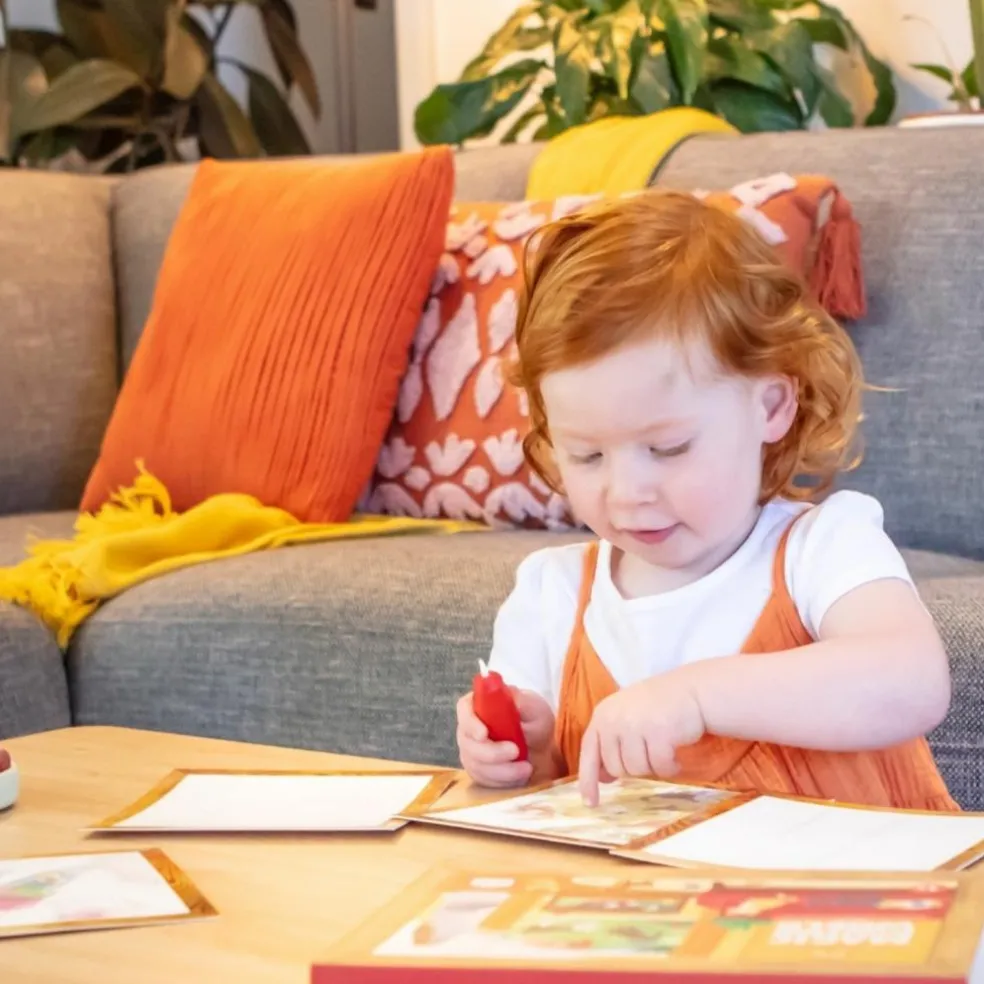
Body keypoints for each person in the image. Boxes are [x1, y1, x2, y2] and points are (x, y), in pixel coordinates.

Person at [455, 189, 957, 812]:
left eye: (668, 448)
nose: (627, 492)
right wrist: (520, 758)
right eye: (586, 455)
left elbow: (911, 682)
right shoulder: (549, 595)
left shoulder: (823, 549)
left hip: (861, 873)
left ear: (770, 406)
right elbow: (549, 803)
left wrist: (697, 696)